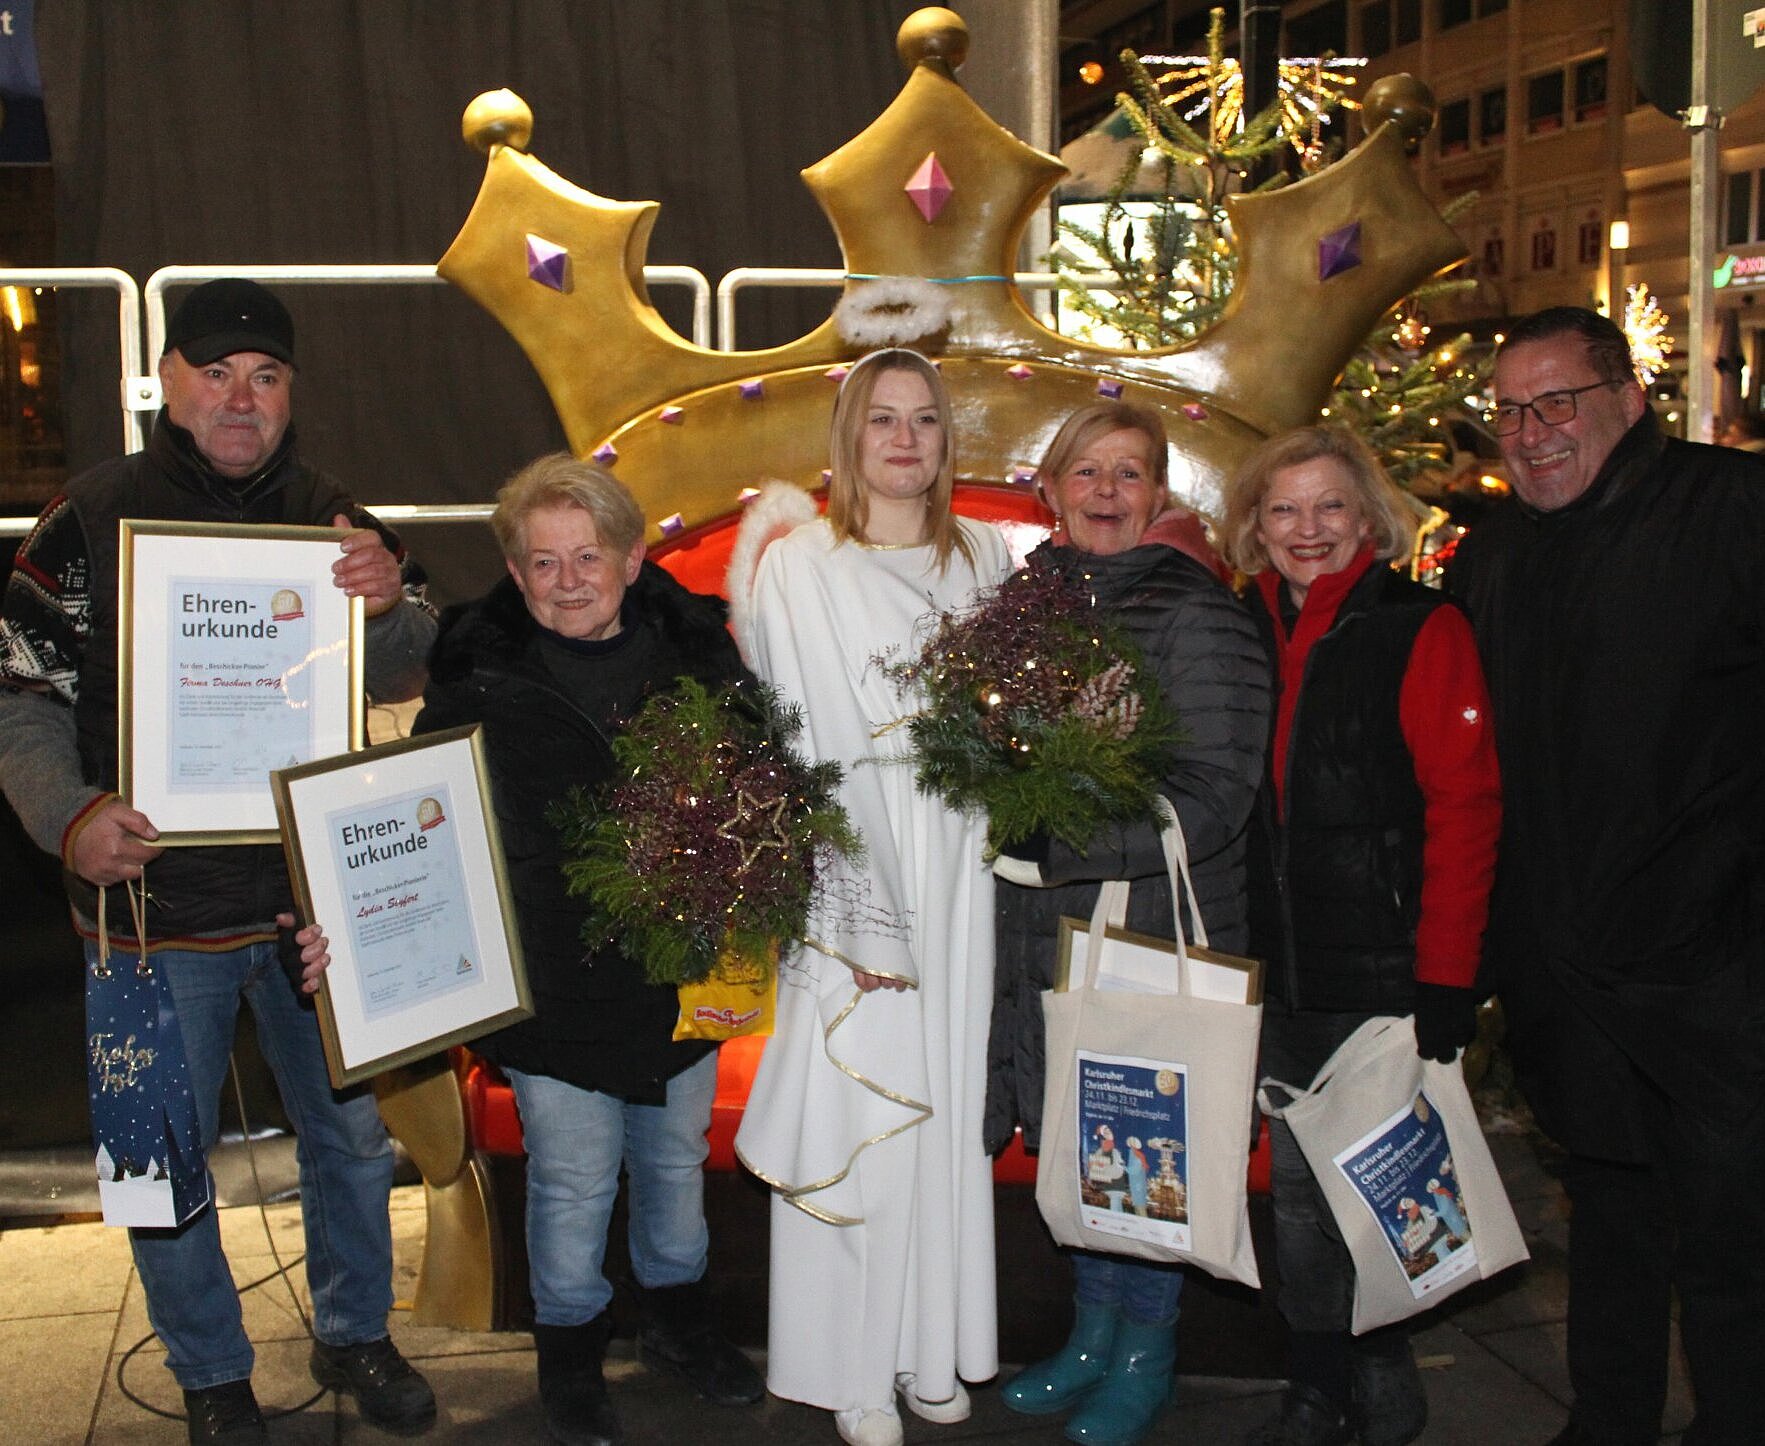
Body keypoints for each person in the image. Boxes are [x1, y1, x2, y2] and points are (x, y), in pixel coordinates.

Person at [0, 279, 439, 1442]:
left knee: (348, 1138)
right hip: (150, 906)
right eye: (217, 371)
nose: (241, 397)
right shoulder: (88, 521)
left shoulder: (336, 517)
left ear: (292, 396)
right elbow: (16, 693)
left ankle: (354, 1334)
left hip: (312, 905)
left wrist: (390, 603)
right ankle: (209, 1372)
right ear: (171, 381)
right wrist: (70, 815)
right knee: (164, 1154)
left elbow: (406, 670)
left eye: (268, 375)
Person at [1448, 306, 1765, 1446]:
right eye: (1509, 412)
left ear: (1628, 401)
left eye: (1556, 404)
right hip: (1564, 977)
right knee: (1612, 1219)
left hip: (1714, 974)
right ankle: (1609, 1421)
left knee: (1734, 1238)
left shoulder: (1730, 512)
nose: (1530, 435)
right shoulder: (1490, 559)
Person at [399, 453, 762, 1446]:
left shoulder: (704, 664)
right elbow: (411, 827)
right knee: (571, 1180)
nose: (567, 580)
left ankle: (677, 1330)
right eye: (542, 562)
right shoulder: (476, 683)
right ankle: (569, 1358)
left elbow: (761, 807)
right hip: (549, 990)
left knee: (675, 1171)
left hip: (678, 981)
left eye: (587, 556)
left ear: (634, 557)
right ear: (514, 574)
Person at [731, 348, 1011, 1446]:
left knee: (943, 1100)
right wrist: (860, 899)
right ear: (848, 437)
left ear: (948, 440)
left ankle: (927, 1347)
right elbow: (810, 735)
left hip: (963, 856)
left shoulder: (984, 553)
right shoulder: (803, 559)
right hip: (860, 850)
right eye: (882, 419)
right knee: (869, 1094)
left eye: (926, 421)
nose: (905, 440)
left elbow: (1007, 719)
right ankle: (853, 1367)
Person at [985, 400, 1269, 1446]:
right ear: (1050, 489)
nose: (1105, 493)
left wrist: (1053, 842)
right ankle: (1092, 1337)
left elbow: (1212, 791)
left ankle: (1145, 1352)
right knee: (1083, 1134)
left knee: (1145, 1144)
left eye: (1129, 474)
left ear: (1158, 495)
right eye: (1085, 472)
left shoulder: (1199, 613)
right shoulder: (1022, 601)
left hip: (1150, 926)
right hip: (1046, 930)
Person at [1220, 425, 1499, 1446]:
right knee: (1296, 1198)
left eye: (1328, 506)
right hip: (1273, 969)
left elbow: (1464, 807)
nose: (1307, 529)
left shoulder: (1420, 629)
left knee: (1376, 1186)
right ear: (1253, 525)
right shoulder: (1236, 627)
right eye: (1283, 509)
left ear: (1368, 518)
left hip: (1380, 972)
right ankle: (1319, 1382)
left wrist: (1444, 976)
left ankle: (1379, 1369)